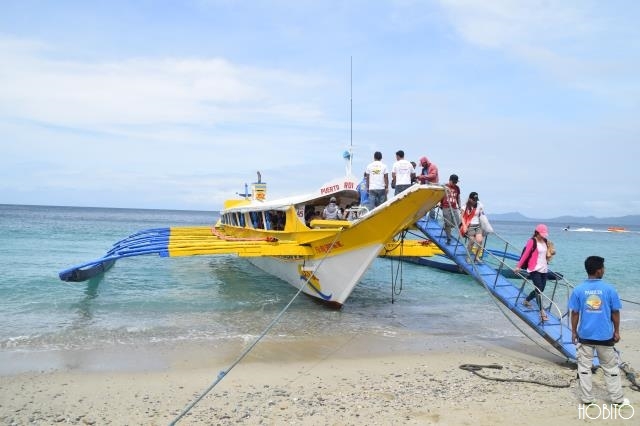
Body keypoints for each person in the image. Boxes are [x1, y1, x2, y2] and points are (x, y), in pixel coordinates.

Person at [568, 256, 628, 406]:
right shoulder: (609, 289)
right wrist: (617, 331)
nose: (604, 270)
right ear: (598, 270)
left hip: (585, 335)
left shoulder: (578, 289)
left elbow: (575, 313)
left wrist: (574, 332)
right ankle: (617, 400)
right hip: (605, 335)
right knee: (611, 368)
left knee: (584, 368)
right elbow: (615, 312)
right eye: (603, 268)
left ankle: (587, 399)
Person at [516, 224, 552, 321]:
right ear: (537, 232)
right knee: (539, 289)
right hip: (534, 268)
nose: (543, 235)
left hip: (544, 269)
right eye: (542, 234)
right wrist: (518, 266)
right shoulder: (532, 241)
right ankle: (541, 312)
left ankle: (527, 300)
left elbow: (547, 253)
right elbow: (525, 254)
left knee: (541, 289)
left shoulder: (545, 241)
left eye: (544, 234)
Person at [458, 192, 485, 263]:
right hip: (470, 226)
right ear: (470, 199)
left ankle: (476, 257)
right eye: (473, 200)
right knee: (471, 241)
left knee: (480, 241)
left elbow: (482, 215)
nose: (475, 201)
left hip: (478, 225)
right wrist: (464, 226)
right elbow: (462, 217)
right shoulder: (465, 207)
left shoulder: (479, 205)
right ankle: (468, 256)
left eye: (476, 200)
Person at [441, 174, 461, 244]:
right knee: (448, 223)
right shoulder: (444, 186)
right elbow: (439, 196)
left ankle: (446, 228)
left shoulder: (457, 188)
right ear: (450, 180)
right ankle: (448, 238)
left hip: (454, 207)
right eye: (454, 182)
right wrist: (439, 204)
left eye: (456, 182)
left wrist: (460, 206)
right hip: (446, 206)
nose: (455, 184)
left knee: (457, 222)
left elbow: (458, 197)